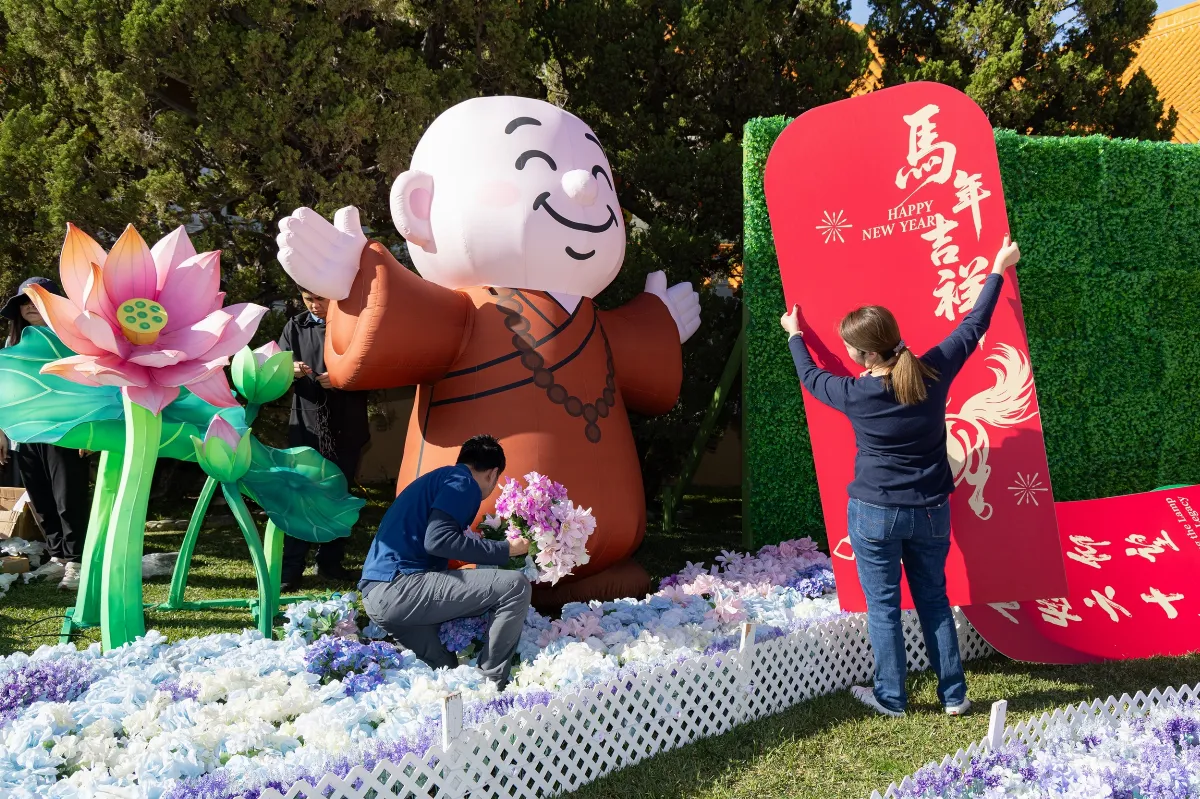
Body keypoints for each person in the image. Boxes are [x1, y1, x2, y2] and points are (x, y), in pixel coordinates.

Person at [781, 236, 1022, 718]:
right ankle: (954, 695)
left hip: (874, 513)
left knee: (885, 608)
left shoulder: (853, 393)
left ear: (861, 354)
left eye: (850, 346)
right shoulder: (932, 369)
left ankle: (892, 698)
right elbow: (974, 325)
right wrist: (997, 268)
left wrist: (793, 333)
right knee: (935, 599)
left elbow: (809, 378)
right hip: (931, 510)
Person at [359, 435, 532, 689]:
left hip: (376, 597)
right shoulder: (463, 482)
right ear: (493, 474)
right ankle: (491, 685)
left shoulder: (439, 479)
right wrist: (507, 550)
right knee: (515, 586)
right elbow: (438, 541)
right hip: (400, 587)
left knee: (447, 673)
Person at [0, 277, 94, 591]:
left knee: (69, 498)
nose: (29, 307)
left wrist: (91, 434)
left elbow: (93, 387)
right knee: (41, 501)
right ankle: (58, 559)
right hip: (25, 433)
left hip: (66, 431)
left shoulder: (75, 341)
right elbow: (5, 392)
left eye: (38, 300)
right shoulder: (12, 346)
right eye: (24, 302)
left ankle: (78, 561)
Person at [277, 288, 370, 590]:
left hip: (347, 425)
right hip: (307, 426)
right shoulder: (296, 326)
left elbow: (375, 368)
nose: (315, 306)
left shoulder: (359, 324)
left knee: (337, 495)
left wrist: (343, 376)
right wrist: (288, 369)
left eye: (321, 299)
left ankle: (330, 563)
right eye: (308, 299)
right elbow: (274, 366)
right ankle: (291, 569)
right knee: (300, 495)